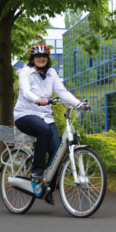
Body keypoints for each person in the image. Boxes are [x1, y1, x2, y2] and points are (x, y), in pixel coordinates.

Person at [14, 44, 87, 206]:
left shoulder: (52, 73)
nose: (41, 58)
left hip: (45, 117)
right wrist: (38, 99)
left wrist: (79, 104)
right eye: (38, 56)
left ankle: (47, 189)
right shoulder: (25, 72)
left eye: (44, 56)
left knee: (57, 152)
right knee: (45, 131)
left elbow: (62, 92)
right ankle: (37, 172)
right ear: (32, 58)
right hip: (25, 115)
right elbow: (25, 91)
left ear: (47, 59)